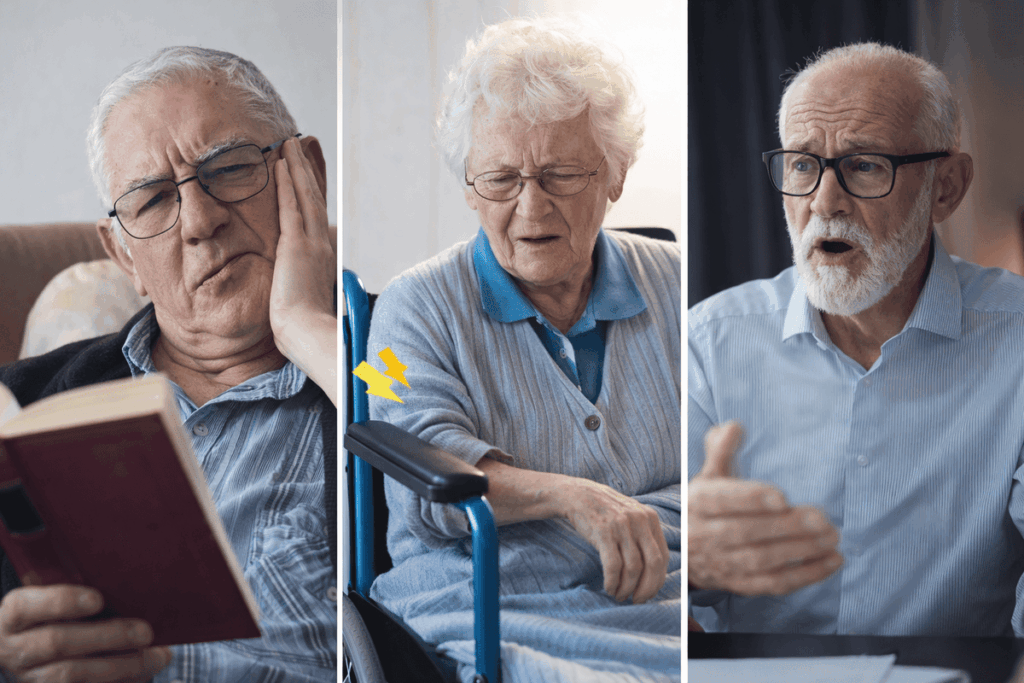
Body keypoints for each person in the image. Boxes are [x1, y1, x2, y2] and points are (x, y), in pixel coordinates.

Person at [0, 47, 337, 682]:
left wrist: (306, 327)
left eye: (230, 168)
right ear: (124, 256)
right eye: (153, 201)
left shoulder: (387, 354)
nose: (201, 221)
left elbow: (415, 413)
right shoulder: (23, 402)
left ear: (307, 175)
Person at [366, 17, 681, 683]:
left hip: (670, 592)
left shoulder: (681, 279)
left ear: (615, 175)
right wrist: (579, 498)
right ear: (468, 187)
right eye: (502, 179)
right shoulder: (404, 308)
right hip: (494, 603)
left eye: (560, 173)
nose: (531, 206)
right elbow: (427, 480)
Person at [688, 42, 1024, 636]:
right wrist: (687, 564)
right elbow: (655, 592)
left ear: (946, 187)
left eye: (865, 165)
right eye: (801, 165)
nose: (823, 202)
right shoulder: (708, 346)